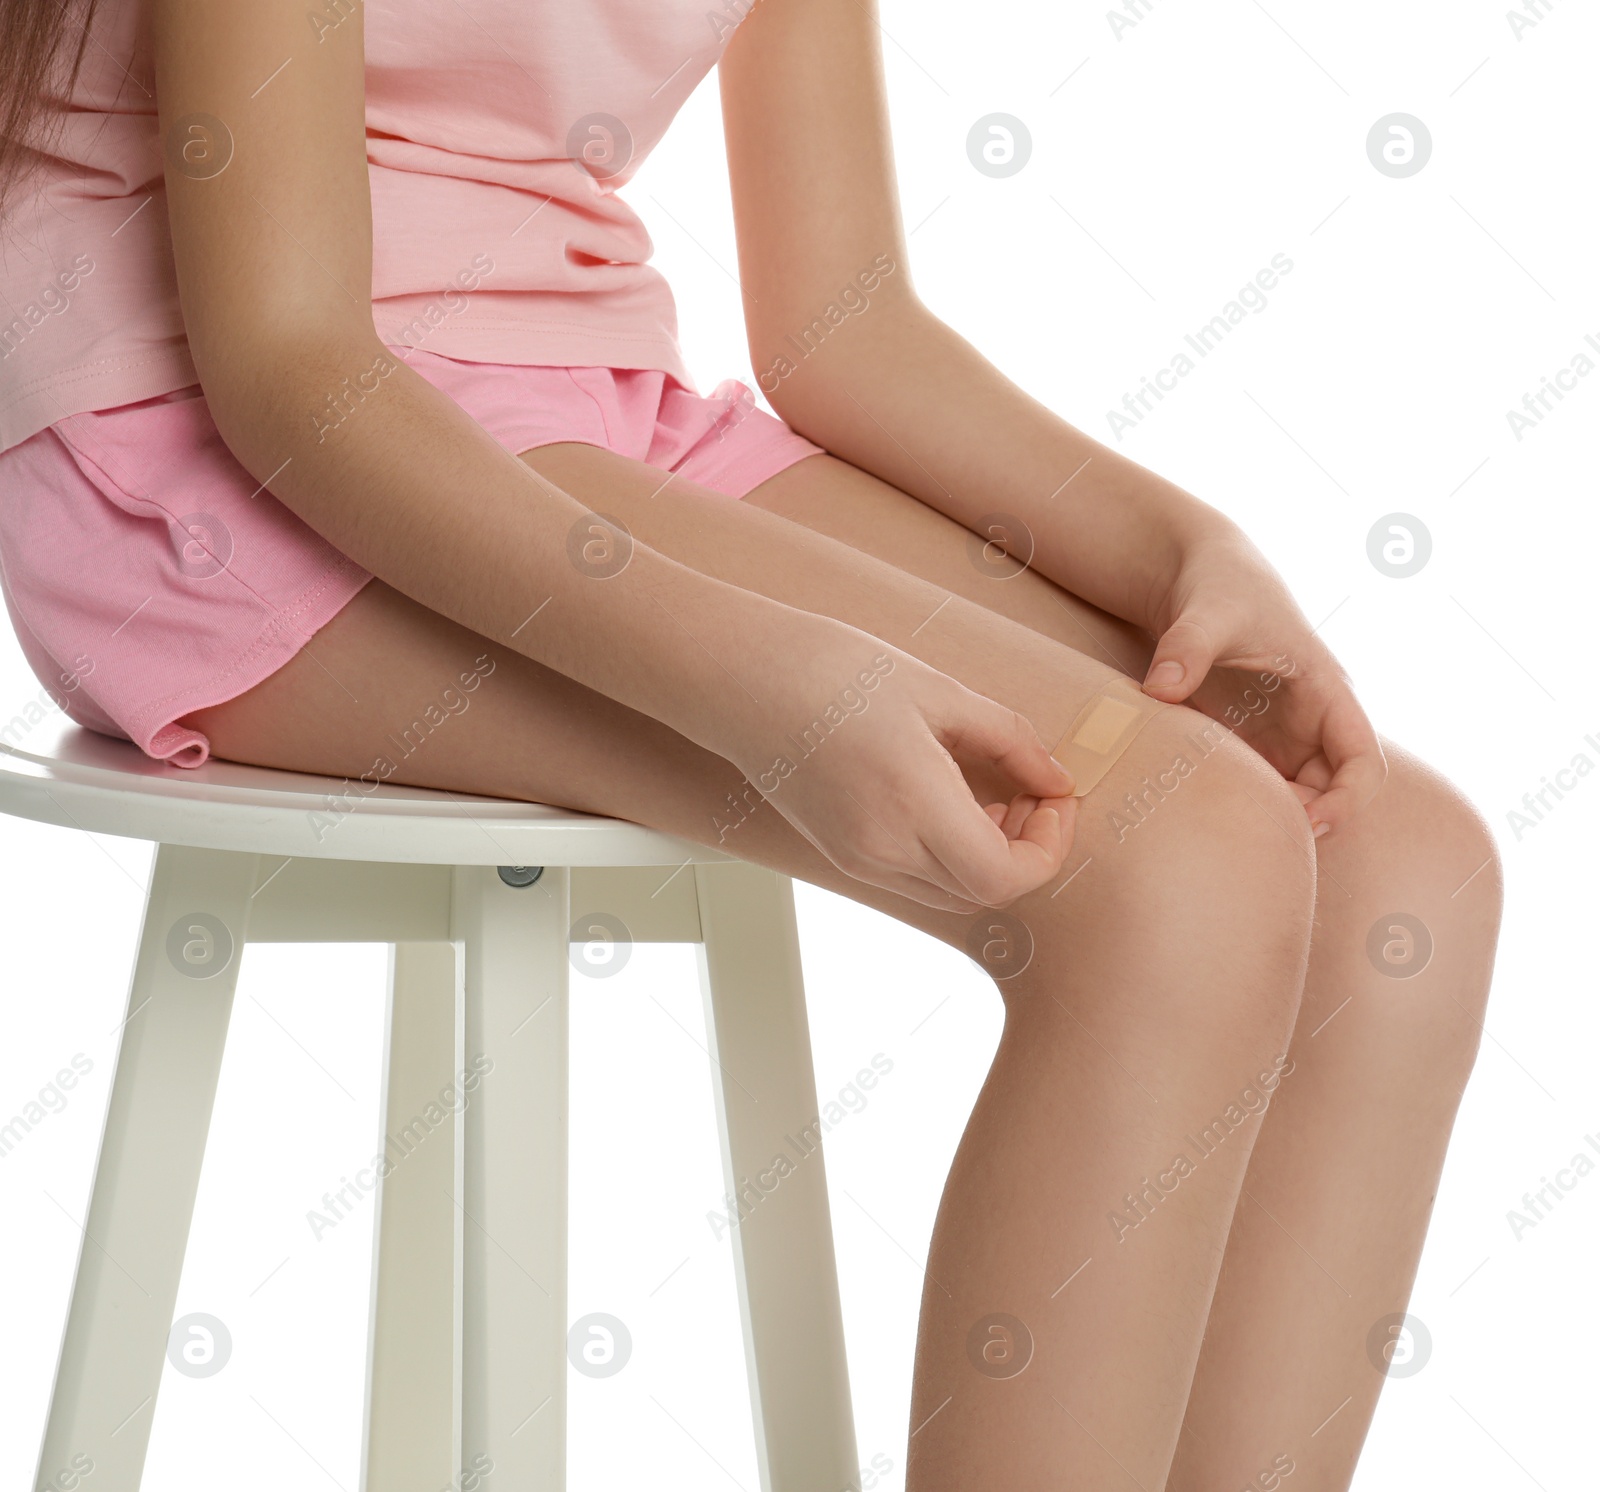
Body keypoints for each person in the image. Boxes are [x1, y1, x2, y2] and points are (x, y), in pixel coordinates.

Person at [0, 0, 1503, 1485]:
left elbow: (848, 323)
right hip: (199, 422)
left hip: (578, 397)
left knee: (1397, 870)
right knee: (1182, 861)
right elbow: (291, 366)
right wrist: (764, 674)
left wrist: (1183, 550)